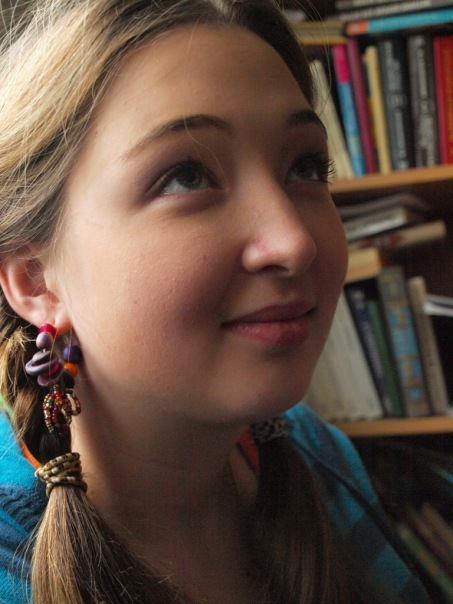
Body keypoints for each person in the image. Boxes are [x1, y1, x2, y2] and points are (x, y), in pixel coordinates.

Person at [0, 1, 430, 602]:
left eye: (306, 166)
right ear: (35, 280)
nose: (295, 242)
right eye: (186, 176)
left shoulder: (322, 456)